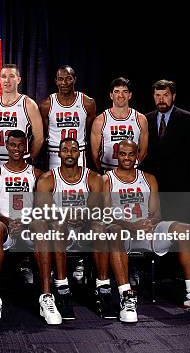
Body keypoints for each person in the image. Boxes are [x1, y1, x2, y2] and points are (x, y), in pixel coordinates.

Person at [105, 140, 190, 322]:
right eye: (122, 154)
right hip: (123, 233)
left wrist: (150, 222)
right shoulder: (106, 179)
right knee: (113, 232)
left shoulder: (148, 178)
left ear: (137, 155)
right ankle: (126, 296)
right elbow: (105, 214)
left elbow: (156, 213)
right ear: (115, 155)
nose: (127, 158)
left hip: (146, 232)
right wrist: (131, 225)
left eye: (131, 154)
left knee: (185, 230)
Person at [34, 138, 115, 322]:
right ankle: (62, 288)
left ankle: (103, 287)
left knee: (100, 227)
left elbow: (96, 209)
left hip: (84, 228)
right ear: (58, 153)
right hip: (60, 229)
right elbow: (44, 211)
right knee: (57, 225)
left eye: (73, 149)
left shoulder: (93, 178)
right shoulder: (47, 179)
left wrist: (83, 215)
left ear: (80, 153)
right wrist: (63, 216)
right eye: (65, 150)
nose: (69, 153)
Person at [0, 130, 44, 327]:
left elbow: (41, 208)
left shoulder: (37, 174)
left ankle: (47, 296)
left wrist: (25, 222)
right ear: (6, 146)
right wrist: (9, 222)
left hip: (29, 226)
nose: (16, 149)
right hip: (6, 227)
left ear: (26, 147)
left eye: (20, 145)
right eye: (13, 145)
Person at [142, 80, 190, 193]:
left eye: (165, 95)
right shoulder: (145, 119)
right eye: (157, 95)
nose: (161, 99)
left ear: (173, 96)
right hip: (152, 185)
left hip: (180, 186)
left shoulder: (187, 119)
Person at [39, 66, 96, 169]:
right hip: (54, 153)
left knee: (78, 184)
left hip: (78, 153)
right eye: (60, 79)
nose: (64, 82)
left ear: (74, 80)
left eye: (68, 78)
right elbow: (43, 133)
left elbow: (89, 131)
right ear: (56, 81)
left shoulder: (87, 103)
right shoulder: (47, 104)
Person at [0, 64, 43, 168]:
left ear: (18, 80)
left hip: (21, 162)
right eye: (3, 76)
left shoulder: (28, 104)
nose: (7, 80)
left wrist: (29, 159)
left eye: (11, 76)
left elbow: (39, 138)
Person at [90, 77, 148, 172]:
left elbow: (143, 152)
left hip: (132, 172)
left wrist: (132, 169)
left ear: (130, 95)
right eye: (116, 91)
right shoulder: (100, 120)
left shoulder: (140, 119)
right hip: (108, 171)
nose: (121, 95)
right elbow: (94, 153)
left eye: (125, 91)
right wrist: (102, 173)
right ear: (111, 95)